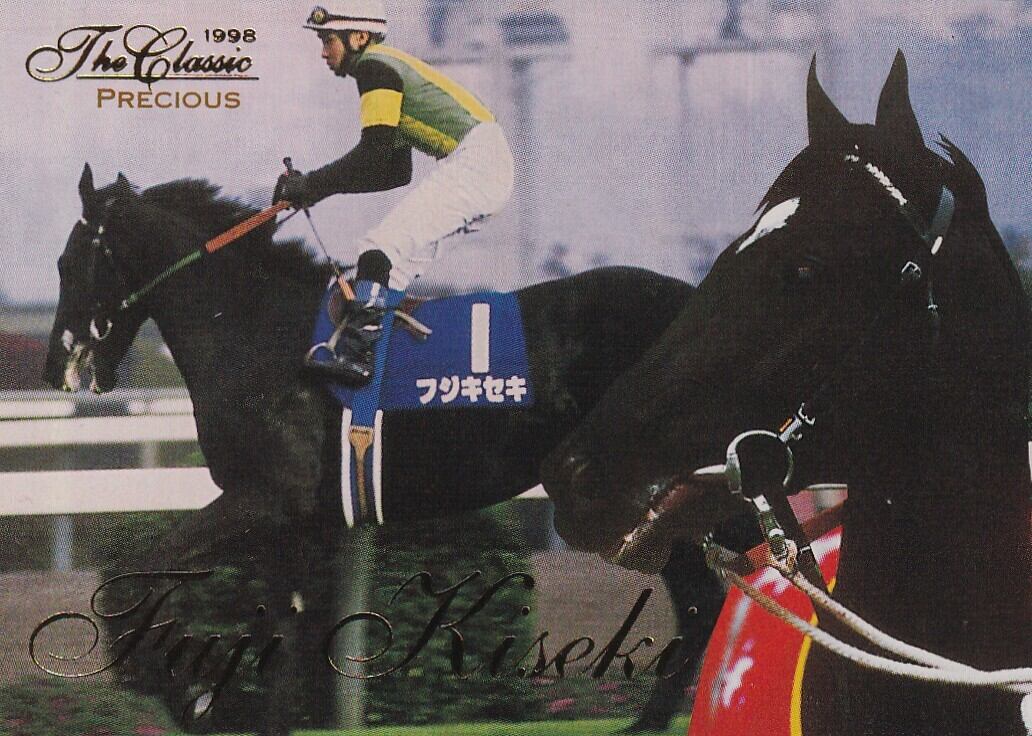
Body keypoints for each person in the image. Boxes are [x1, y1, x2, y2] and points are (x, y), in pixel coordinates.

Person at [278, 2, 515, 386]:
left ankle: (357, 358)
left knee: (378, 248)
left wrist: (311, 185)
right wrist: (314, 191)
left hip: (478, 162)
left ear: (358, 37)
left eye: (328, 40)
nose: (323, 52)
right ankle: (381, 365)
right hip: (487, 164)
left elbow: (371, 154)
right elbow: (392, 173)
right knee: (393, 271)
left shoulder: (375, 68)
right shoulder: (386, 68)